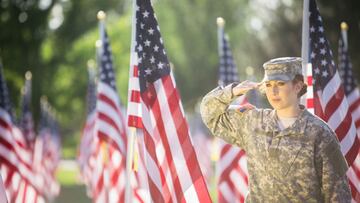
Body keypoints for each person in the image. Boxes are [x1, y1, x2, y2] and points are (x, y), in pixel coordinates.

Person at [200, 57, 351, 202]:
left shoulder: (320, 133)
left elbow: (337, 193)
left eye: (280, 83)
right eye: (268, 85)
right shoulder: (253, 122)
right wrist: (232, 91)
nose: (273, 91)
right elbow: (209, 113)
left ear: (298, 86)